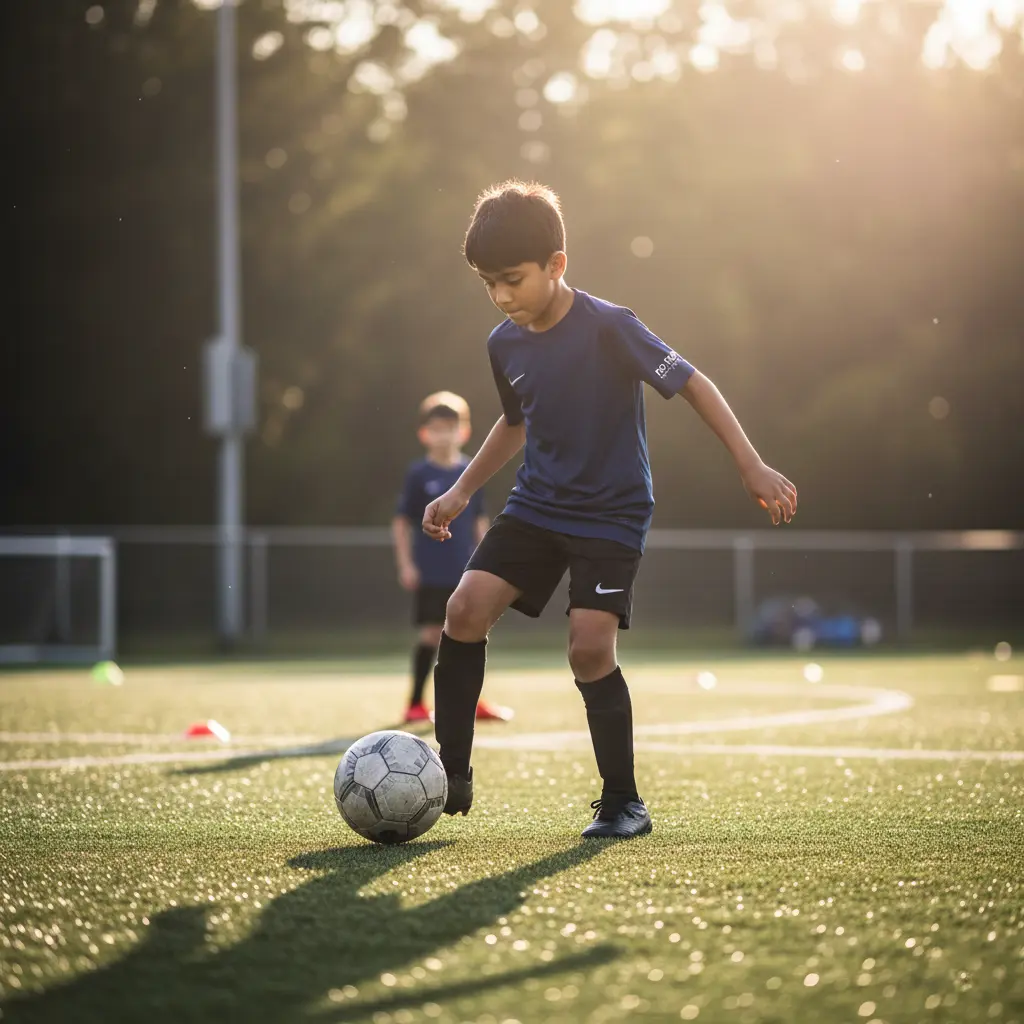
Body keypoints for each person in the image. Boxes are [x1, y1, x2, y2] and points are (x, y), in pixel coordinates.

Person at [422, 181, 798, 839]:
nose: (502, 296)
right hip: (537, 503)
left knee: (589, 648)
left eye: (513, 279)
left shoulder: (610, 327)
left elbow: (694, 383)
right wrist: (460, 491)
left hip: (612, 513)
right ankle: (449, 772)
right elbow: (515, 423)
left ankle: (624, 802)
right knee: (463, 608)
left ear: (556, 265)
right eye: (489, 283)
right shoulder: (502, 344)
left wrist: (750, 462)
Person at [392, 391, 514, 724]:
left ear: (464, 431)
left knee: (472, 632)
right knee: (432, 634)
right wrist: (406, 563)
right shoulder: (419, 474)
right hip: (432, 572)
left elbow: (478, 520)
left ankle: (472, 701)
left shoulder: (471, 472)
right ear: (424, 434)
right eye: (437, 428)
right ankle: (415, 703)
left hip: (467, 570)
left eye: (450, 427)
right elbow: (402, 522)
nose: (444, 434)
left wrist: (489, 559)